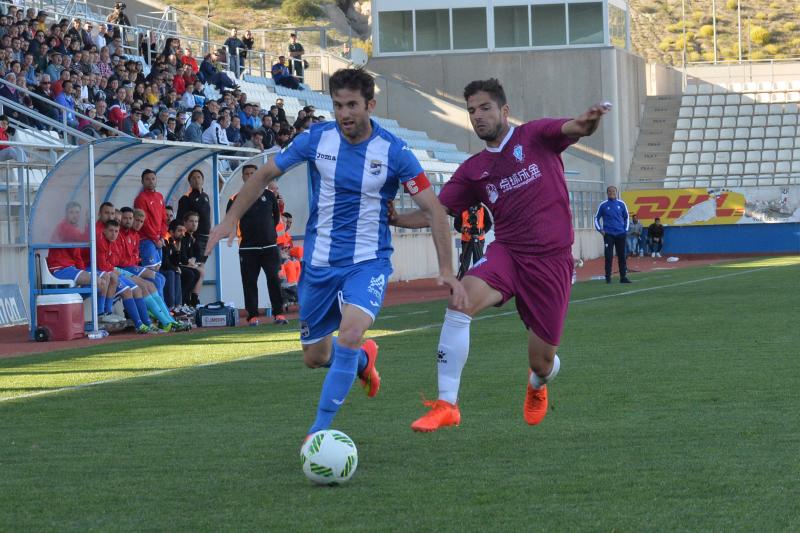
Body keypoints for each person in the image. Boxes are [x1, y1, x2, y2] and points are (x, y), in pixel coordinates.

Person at [206, 68, 465, 440]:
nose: (344, 113)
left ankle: (319, 431)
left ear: (370, 105)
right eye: (338, 105)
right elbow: (263, 175)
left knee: (351, 332)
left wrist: (446, 268)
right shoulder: (317, 138)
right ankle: (363, 361)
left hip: (367, 261)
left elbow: (435, 210)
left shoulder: (394, 151)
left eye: (352, 105)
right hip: (320, 264)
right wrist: (231, 218)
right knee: (315, 357)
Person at [389, 78, 609, 431]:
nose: (478, 116)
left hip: (551, 261)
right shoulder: (473, 170)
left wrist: (592, 118)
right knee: (460, 301)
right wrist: (399, 218)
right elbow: (437, 210)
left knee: (542, 363)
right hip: (507, 253)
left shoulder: (535, 136)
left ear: (505, 110)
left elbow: (578, 127)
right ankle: (447, 403)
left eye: (485, 108)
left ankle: (537, 385)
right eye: (472, 111)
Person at [226, 163, 287, 326]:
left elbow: (275, 218)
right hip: (248, 248)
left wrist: (268, 236)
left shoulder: (269, 195)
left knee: (274, 280)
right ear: (243, 177)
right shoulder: (235, 199)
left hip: (269, 248)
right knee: (249, 282)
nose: (250, 176)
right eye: (247, 174)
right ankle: (253, 316)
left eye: (253, 173)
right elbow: (230, 220)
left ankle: (279, 314)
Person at [594, 185, 631, 284]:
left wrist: (625, 230)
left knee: (622, 256)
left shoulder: (621, 204)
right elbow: (596, 218)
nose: (611, 193)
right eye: (609, 191)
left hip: (620, 234)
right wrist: (600, 230)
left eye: (613, 191)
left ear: (616, 192)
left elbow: (627, 217)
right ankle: (608, 278)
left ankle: (623, 277)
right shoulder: (603, 205)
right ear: (607, 193)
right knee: (608, 256)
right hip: (608, 234)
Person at [133, 169, 168, 269]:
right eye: (147, 179)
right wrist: (156, 239)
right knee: (151, 270)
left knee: (158, 269)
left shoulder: (160, 196)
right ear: (142, 182)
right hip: (147, 239)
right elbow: (144, 222)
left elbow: (164, 219)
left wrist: (162, 236)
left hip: (159, 240)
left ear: (156, 180)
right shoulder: (141, 198)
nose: (151, 181)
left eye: (153, 178)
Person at [176, 169, 211, 261]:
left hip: (206, 236)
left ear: (202, 180)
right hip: (195, 236)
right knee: (195, 264)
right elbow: (180, 219)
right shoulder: (186, 198)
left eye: (199, 177)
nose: (196, 180)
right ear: (190, 182)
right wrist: (188, 236)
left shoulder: (205, 196)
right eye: (193, 178)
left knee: (202, 264)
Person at [454, 205, 491, 279]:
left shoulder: (482, 209)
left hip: (479, 240)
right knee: (465, 263)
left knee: (478, 262)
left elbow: (489, 223)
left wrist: (483, 231)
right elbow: (456, 224)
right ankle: (462, 280)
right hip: (466, 240)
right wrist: (462, 229)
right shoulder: (462, 209)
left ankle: (477, 280)